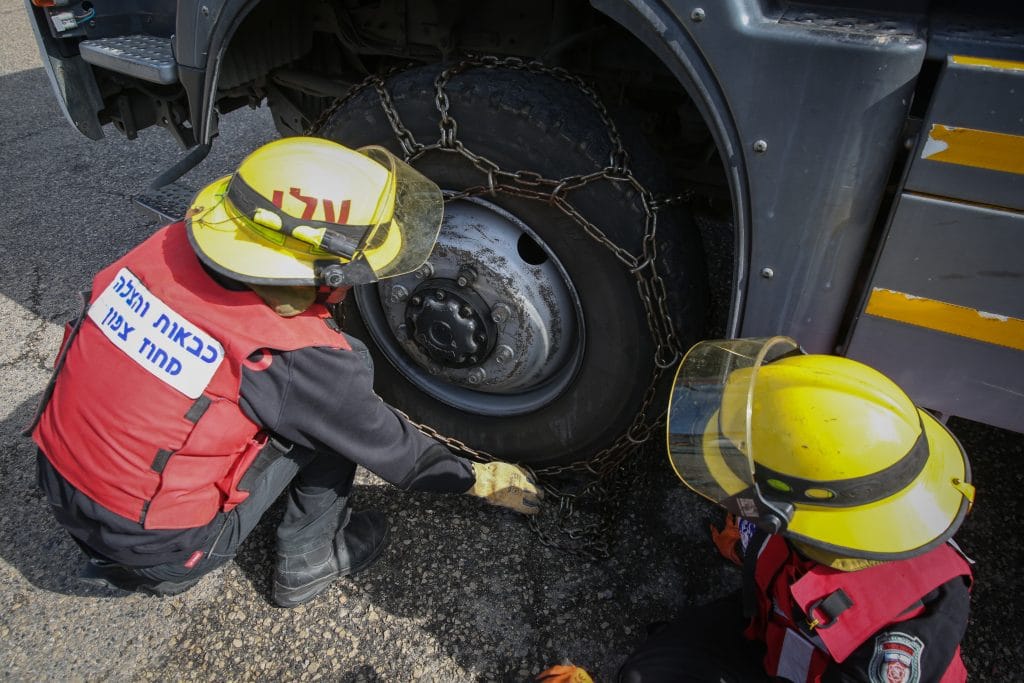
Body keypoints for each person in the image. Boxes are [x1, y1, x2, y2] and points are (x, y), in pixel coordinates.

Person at [27, 137, 541, 608]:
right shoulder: (291, 355)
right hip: (153, 550)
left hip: (56, 480)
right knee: (333, 405)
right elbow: (391, 449)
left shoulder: (161, 249)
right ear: (317, 270)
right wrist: (477, 480)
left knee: (319, 386)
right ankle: (310, 560)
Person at [617, 337, 976, 682]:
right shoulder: (824, 523)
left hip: (815, 666)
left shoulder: (910, 626)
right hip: (776, 625)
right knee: (642, 675)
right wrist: (750, 547)